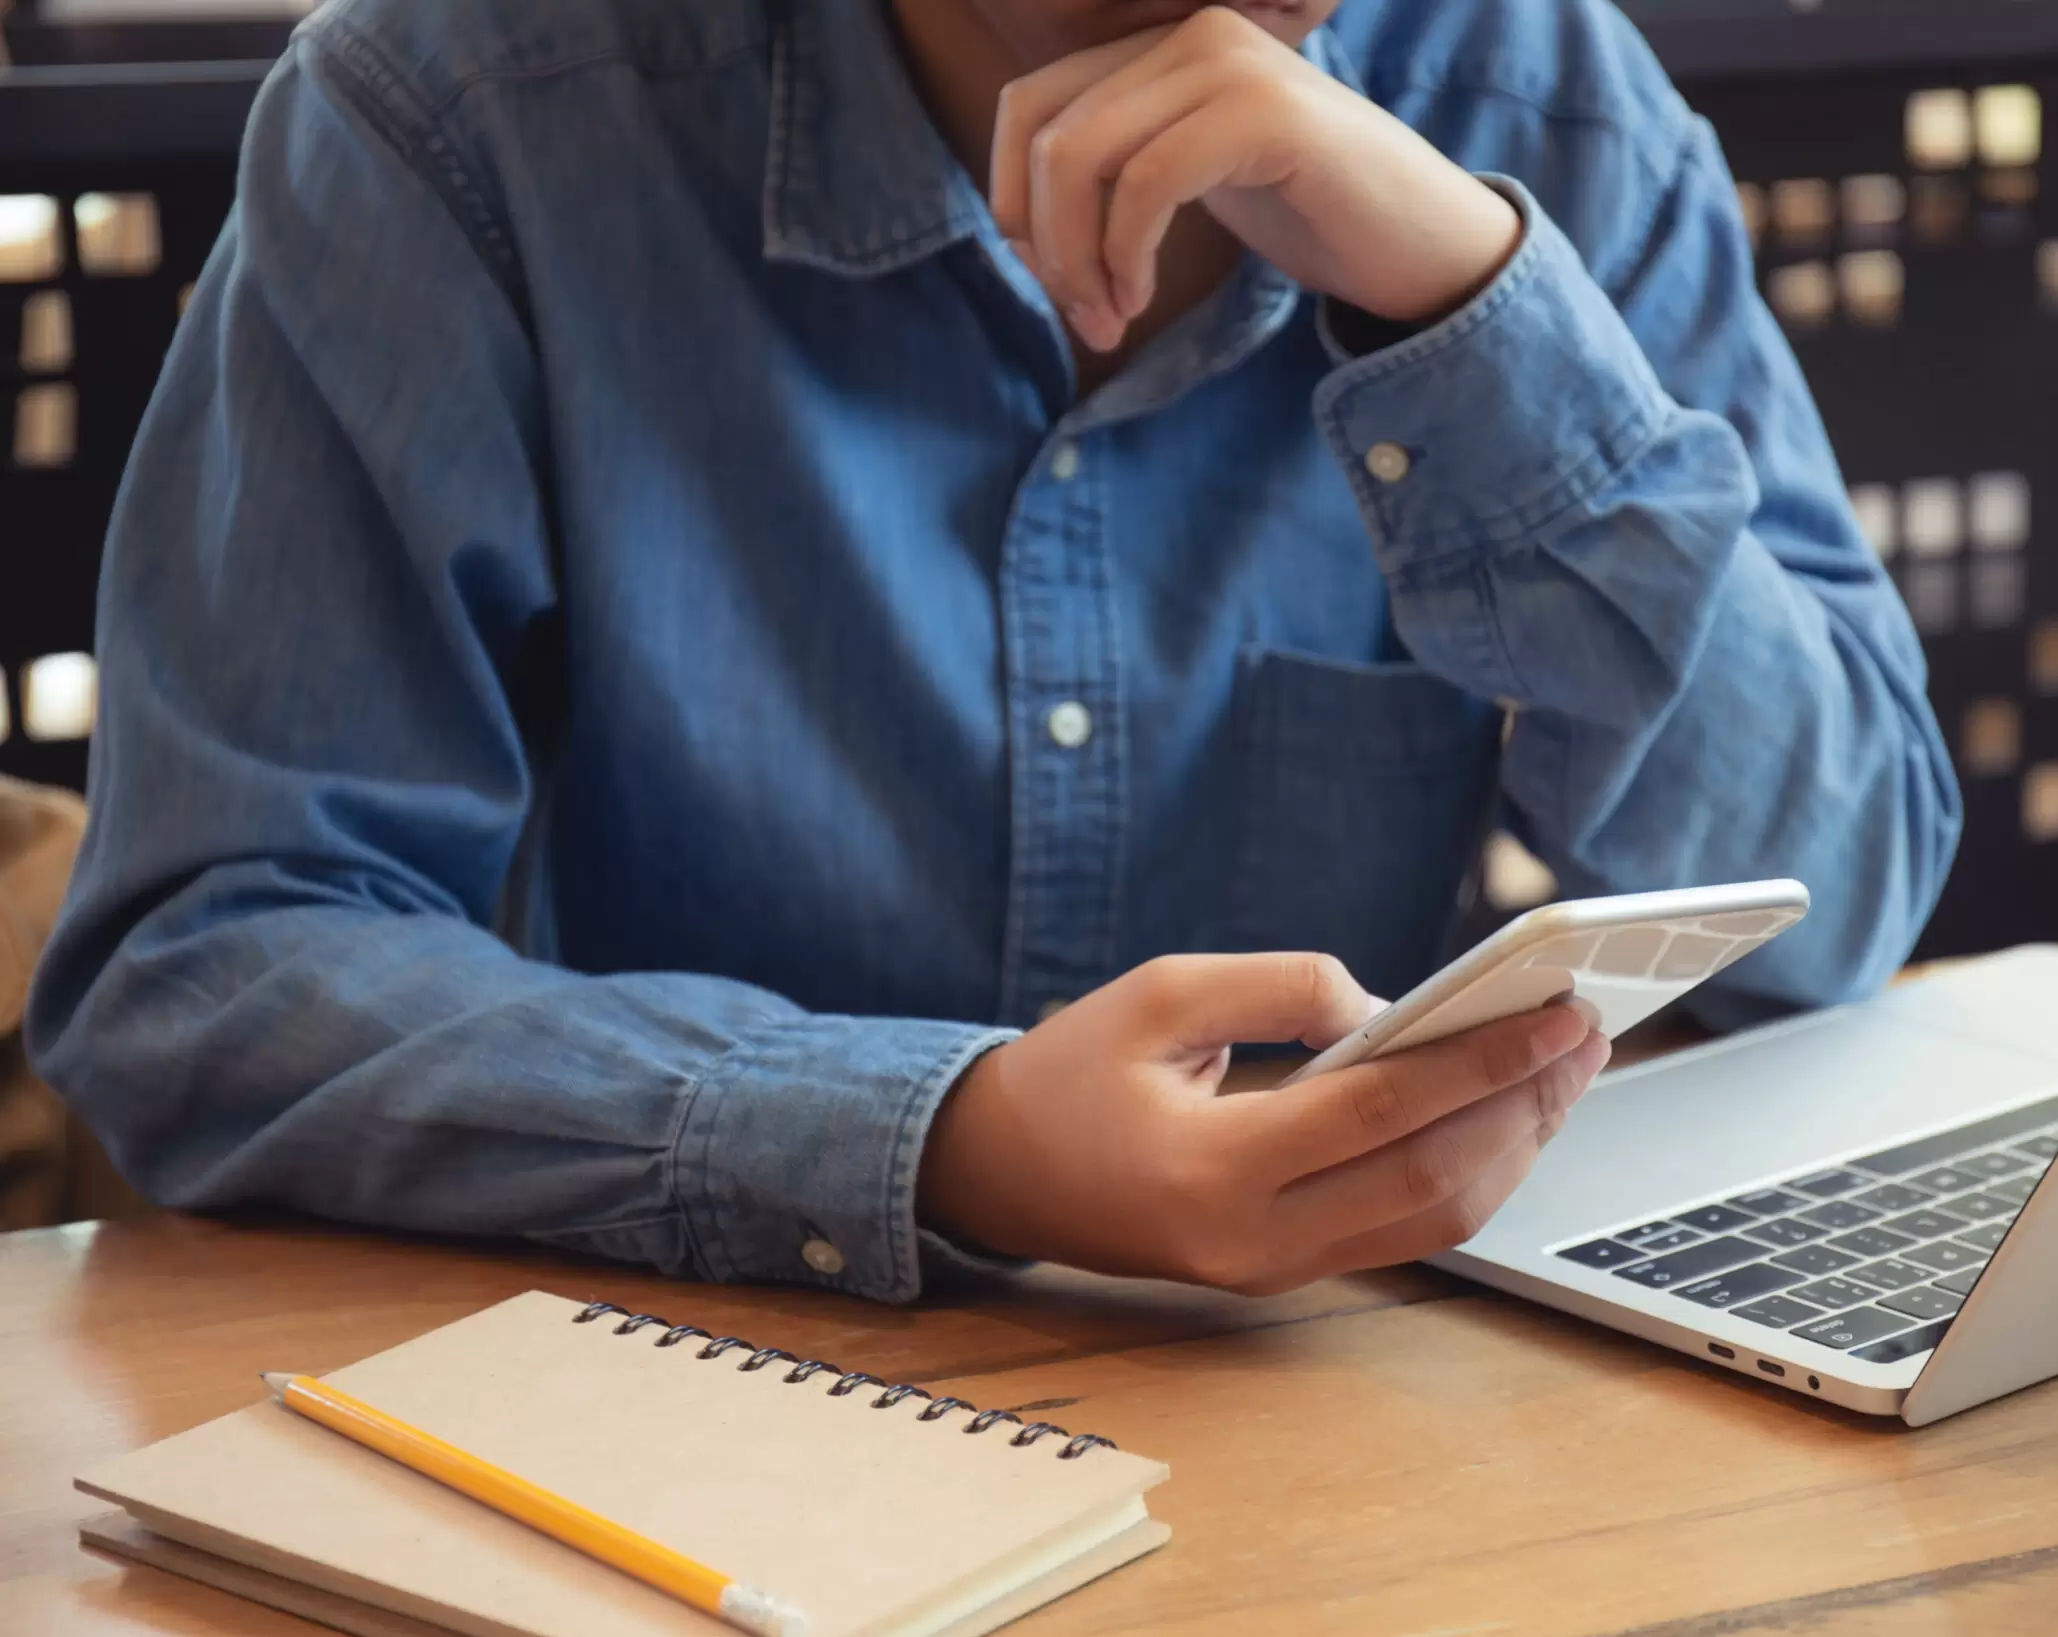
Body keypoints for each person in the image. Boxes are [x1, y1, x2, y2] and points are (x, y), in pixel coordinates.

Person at [31, 0, 1959, 1302]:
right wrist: (940, 1143)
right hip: (654, 1422)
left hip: (1340, 1434)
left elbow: (1846, 881)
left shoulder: (1526, 93)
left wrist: (1463, 299)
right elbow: (213, 964)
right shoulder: (463, 108)